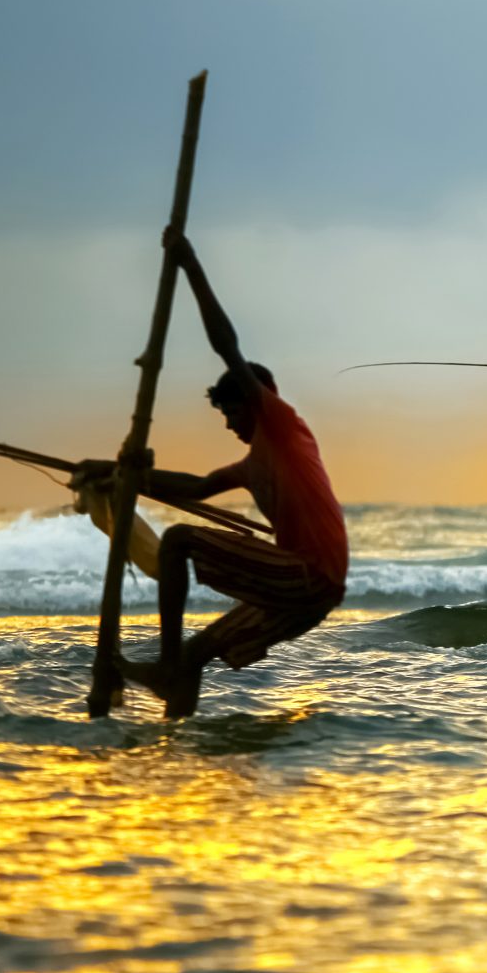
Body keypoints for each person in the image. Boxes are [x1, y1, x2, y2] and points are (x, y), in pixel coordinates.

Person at [74, 235, 347, 718]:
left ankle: (164, 659)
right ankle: (176, 733)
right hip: (307, 596)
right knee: (197, 658)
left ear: (255, 399)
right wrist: (122, 474)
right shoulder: (253, 461)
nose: (228, 422)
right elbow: (196, 487)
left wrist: (191, 266)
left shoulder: (281, 424)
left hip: (309, 575)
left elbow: (228, 348)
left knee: (178, 540)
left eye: (231, 410)